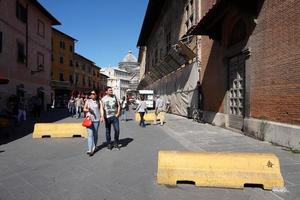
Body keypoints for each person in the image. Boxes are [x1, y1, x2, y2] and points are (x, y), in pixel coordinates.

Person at [83, 90, 102, 156]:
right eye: (91, 93)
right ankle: (90, 149)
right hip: (89, 119)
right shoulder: (88, 101)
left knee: (95, 134)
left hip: (96, 120)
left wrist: (102, 117)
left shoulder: (99, 101)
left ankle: (95, 146)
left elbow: (101, 109)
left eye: (93, 93)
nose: (92, 95)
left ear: (96, 94)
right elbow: (84, 109)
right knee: (90, 135)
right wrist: (88, 110)